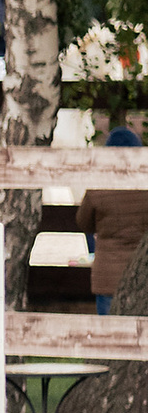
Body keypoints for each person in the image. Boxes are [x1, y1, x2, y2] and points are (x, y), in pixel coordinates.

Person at [76, 125, 148, 314]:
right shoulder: (145, 187)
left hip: (107, 275)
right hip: (142, 275)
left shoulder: (98, 186)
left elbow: (83, 222)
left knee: (108, 328)